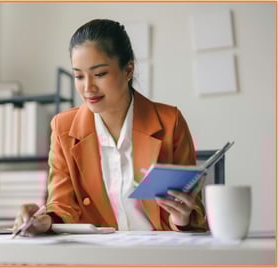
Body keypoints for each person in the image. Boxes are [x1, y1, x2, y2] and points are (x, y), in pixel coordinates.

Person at [12, 19, 208, 236]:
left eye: (99, 74)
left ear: (128, 70)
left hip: (158, 254)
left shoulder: (170, 122)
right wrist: (43, 220)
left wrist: (181, 218)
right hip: (99, 255)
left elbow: (194, 209)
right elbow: (61, 204)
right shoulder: (63, 128)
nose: (88, 88)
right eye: (78, 76)